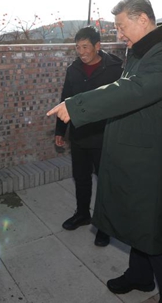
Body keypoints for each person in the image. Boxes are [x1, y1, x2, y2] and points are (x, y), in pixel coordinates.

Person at [47, 0, 162, 302]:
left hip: (156, 159)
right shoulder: (142, 51)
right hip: (138, 154)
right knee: (139, 222)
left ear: (142, 20)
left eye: (122, 26)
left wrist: (78, 105)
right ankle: (140, 276)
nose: (119, 34)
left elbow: (133, 90)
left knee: (158, 231)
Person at [55, 26, 123, 247]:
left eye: (85, 47)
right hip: (80, 134)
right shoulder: (74, 69)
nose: (81, 52)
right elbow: (65, 100)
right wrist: (59, 131)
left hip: (105, 135)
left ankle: (105, 225)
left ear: (97, 46)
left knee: (105, 181)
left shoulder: (115, 68)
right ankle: (82, 214)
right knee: (81, 178)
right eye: (77, 48)